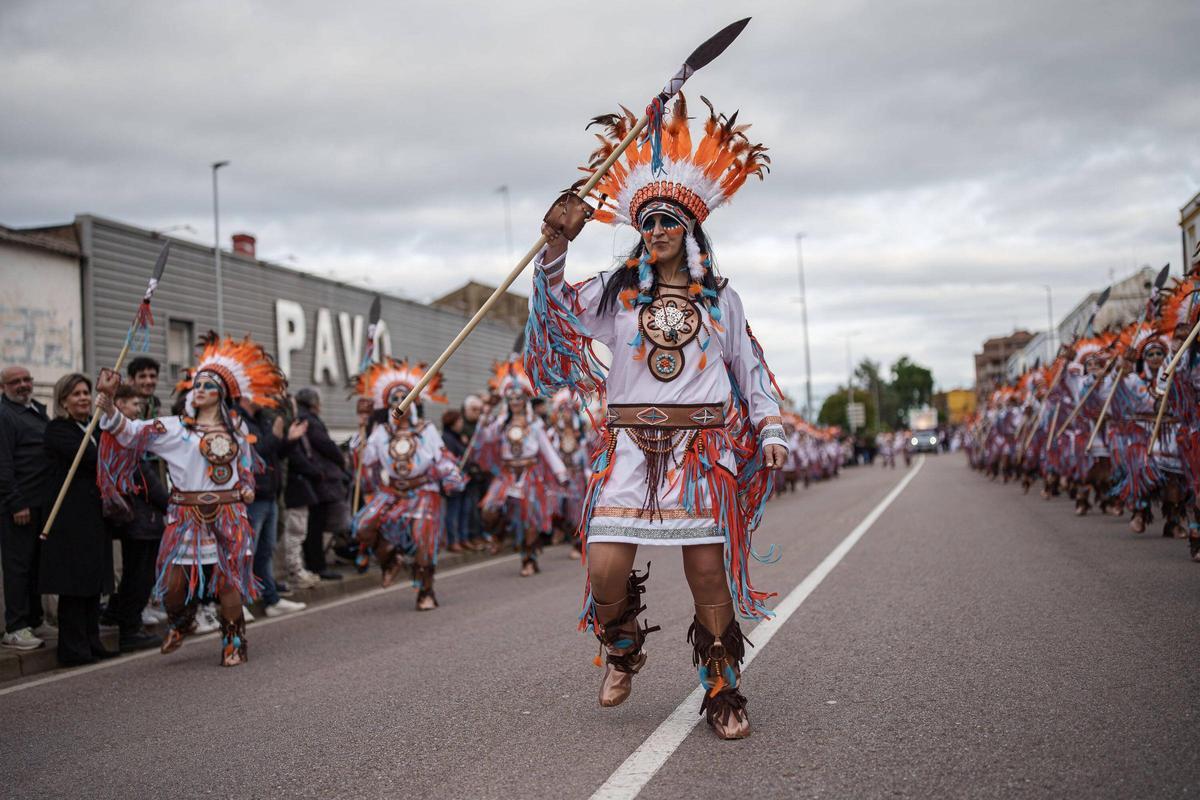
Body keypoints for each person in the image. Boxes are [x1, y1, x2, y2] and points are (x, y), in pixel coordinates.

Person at [524, 95, 787, 739]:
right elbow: (556, 309)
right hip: (631, 451)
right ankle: (621, 646)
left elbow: (748, 366)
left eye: (669, 218)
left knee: (706, 573)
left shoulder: (721, 298)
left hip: (699, 452)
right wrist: (556, 243)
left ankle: (723, 688)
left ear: (690, 227)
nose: (658, 228)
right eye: (648, 220)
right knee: (605, 567)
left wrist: (771, 427)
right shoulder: (616, 293)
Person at [95, 333, 286, 667]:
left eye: (209, 386)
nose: (200, 389)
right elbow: (128, 432)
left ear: (222, 394)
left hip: (228, 513)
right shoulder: (173, 429)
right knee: (173, 588)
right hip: (186, 516)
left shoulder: (236, 429)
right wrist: (109, 403)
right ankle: (182, 622)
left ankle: (233, 642)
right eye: (197, 384)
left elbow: (244, 468)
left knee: (229, 584)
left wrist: (246, 487)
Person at [352, 359, 465, 608]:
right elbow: (366, 459)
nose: (400, 402)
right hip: (392, 490)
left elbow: (442, 457)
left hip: (424, 489)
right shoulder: (381, 431)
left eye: (405, 397)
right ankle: (391, 560)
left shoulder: (426, 429)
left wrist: (451, 475)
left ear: (414, 402)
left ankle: (426, 591)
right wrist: (362, 425)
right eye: (394, 398)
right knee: (363, 526)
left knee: (424, 541)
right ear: (388, 404)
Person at [39, 373, 116, 666]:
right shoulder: (58, 430)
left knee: (93, 582)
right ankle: (73, 648)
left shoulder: (94, 428)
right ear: (63, 401)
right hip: (69, 518)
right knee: (73, 585)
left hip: (95, 516)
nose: (83, 397)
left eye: (86, 392)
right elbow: (90, 458)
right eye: (76, 394)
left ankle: (91, 640)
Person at [472, 359, 568, 576]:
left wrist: (560, 473)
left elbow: (547, 450)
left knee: (529, 520)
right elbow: (483, 439)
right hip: (507, 474)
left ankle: (528, 557)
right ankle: (498, 535)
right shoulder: (500, 422)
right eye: (511, 397)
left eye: (519, 397)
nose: (515, 400)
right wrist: (485, 414)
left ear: (525, 398)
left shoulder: (535, 424)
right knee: (489, 510)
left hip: (530, 474)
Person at [103, 383, 166, 652]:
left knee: (142, 574)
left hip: (145, 516)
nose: (138, 408)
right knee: (138, 575)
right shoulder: (121, 437)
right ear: (117, 404)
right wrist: (169, 503)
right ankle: (129, 629)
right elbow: (143, 477)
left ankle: (125, 619)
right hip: (139, 517)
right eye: (133, 403)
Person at [238, 390, 308, 617]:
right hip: (252, 495)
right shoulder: (236, 419)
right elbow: (251, 455)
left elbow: (275, 454)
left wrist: (288, 439)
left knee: (265, 550)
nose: (267, 398)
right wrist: (276, 437)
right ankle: (237, 602)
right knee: (246, 551)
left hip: (270, 493)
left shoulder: (262, 419)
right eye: (262, 392)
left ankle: (270, 599)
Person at [0, 365, 55, 650]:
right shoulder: (5, 415)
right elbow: (4, 463)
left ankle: (34, 620)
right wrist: (16, 502)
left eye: (26, 379)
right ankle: (16, 627)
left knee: (36, 565)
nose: (22, 385)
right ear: (3, 388)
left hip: (41, 504)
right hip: (19, 507)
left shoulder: (36, 410)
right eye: (14, 381)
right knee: (18, 566)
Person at [294, 388, 347, 582]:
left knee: (313, 525)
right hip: (318, 478)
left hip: (313, 477)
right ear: (314, 403)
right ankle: (317, 565)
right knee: (315, 525)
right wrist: (341, 458)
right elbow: (326, 445)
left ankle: (315, 563)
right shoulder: (310, 421)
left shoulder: (299, 417)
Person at [440, 409, 469, 553]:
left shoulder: (457, 437)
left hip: (461, 480)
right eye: (459, 421)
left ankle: (462, 538)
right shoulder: (447, 439)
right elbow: (449, 460)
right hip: (452, 481)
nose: (461, 423)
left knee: (463, 511)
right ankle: (453, 541)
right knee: (453, 512)